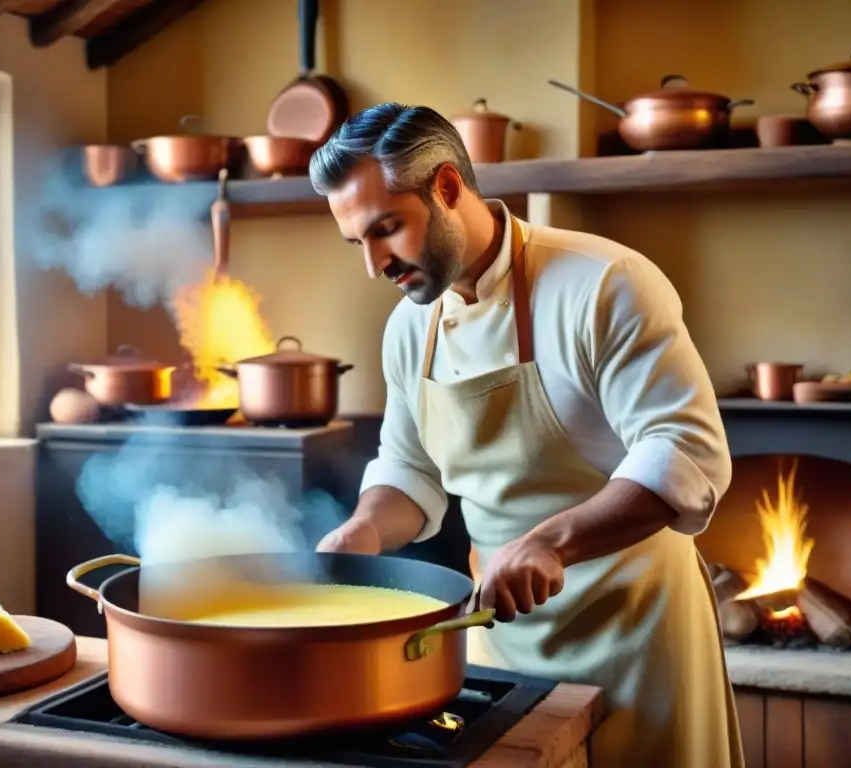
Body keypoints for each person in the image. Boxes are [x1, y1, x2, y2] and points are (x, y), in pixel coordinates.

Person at [308, 103, 743, 768]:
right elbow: (406, 471)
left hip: (638, 639)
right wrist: (361, 533)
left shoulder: (604, 284)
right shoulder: (408, 328)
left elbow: (687, 453)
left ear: (448, 187)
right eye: (355, 243)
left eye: (386, 229)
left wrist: (549, 542)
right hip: (499, 644)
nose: (374, 265)